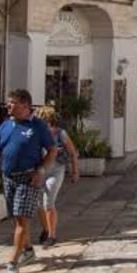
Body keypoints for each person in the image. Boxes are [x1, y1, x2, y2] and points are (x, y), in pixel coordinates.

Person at [0, 89, 58, 273]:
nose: (8, 106)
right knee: (17, 219)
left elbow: (52, 150)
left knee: (21, 219)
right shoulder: (4, 126)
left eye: (12, 103)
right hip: (9, 178)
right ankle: (28, 249)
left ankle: (12, 262)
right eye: (8, 103)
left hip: (29, 179)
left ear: (25, 105)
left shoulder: (38, 126)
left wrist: (41, 171)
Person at [35, 106, 79, 248]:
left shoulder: (60, 133)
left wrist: (75, 171)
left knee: (48, 202)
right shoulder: (36, 133)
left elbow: (73, 152)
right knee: (39, 204)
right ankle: (46, 229)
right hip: (40, 170)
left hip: (56, 170)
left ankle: (51, 235)